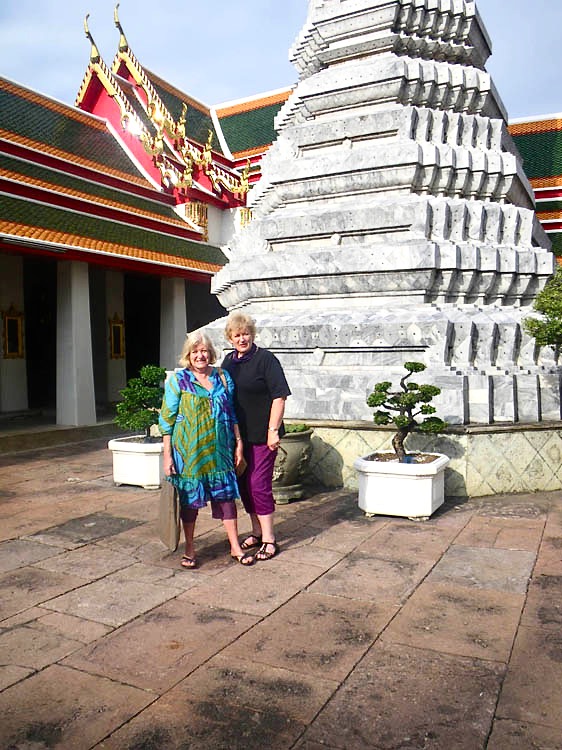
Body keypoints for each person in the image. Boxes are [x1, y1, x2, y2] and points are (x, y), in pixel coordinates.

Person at [159, 330, 253, 568]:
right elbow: (167, 421)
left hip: (220, 452)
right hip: (189, 454)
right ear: (188, 356)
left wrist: (239, 443)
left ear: (211, 354)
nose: (200, 356)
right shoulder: (178, 381)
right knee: (190, 503)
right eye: (195, 352)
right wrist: (168, 456)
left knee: (226, 500)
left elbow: (231, 413)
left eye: (204, 351)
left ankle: (235, 546)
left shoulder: (222, 377)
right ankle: (190, 548)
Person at [222, 312, 291, 562]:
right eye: (237, 335)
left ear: (252, 334)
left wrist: (273, 430)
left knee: (258, 485)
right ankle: (257, 531)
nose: (242, 338)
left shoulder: (266, 360)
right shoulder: (228, 363)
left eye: (246, 334)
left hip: (264, 435)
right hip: (239, 437)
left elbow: (279, 396)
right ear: (230, 338)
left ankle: (270, 538)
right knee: (244, 486)